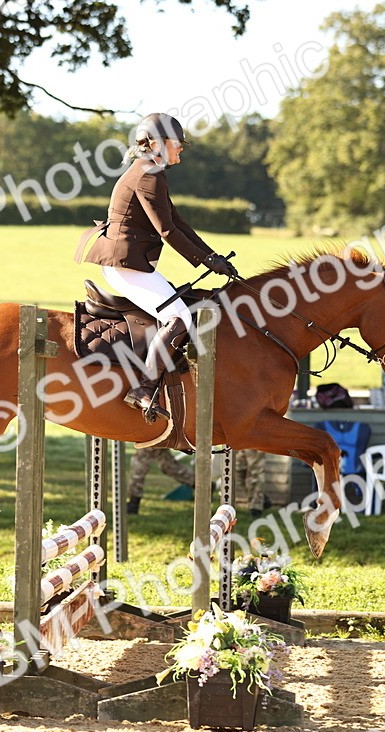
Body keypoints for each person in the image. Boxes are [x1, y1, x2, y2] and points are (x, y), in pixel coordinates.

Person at [76, 112, 237, 422]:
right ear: (159, 143)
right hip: (125, 263)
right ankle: (143, 388)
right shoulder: (148, 174)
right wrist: (206, 261)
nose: (182, 149)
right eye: (178, 144)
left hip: (131, 262)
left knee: (176, 310)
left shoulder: (150, 171)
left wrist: (213, 257)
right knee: (178, 316)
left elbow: (178, 222)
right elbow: (167, 231)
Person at [126, 446, 195, 515]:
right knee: (167, 465)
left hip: (152, 437)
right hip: (156, 437)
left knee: (139, 462)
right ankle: (199, 484)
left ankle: (134, 502)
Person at [235, 449, 272, 518]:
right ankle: (260, 498)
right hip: (240, 441)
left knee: (256, 472)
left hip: (254, 441)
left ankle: (256, 506)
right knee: (237, 471)